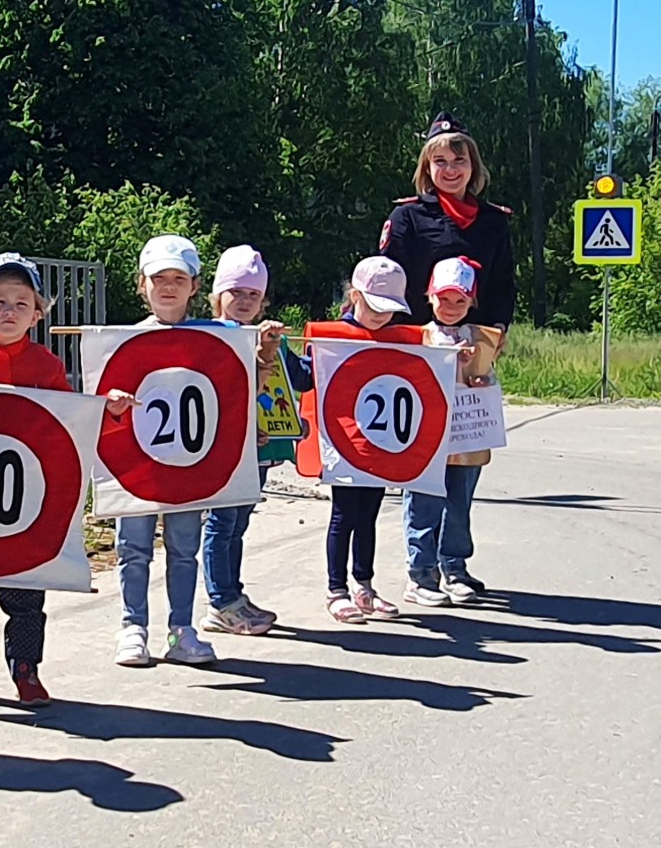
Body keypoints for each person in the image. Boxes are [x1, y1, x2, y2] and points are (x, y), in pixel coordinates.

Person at [0, 253, 129, 707]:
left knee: (26, 590)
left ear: (38, 314)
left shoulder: (46, 366)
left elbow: (65, 427)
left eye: (21, 302)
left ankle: (26, 669)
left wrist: (105, 413)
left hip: (26, 499)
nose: (9, 310)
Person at [113, 235, 226, 668]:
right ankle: (132, 627)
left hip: (189, 464)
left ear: (195, 286)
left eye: (179, 278)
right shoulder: (122, 340)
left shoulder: (217, 340)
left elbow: (233, 394)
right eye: (159, 278)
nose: (168, 287)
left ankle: (182, 628)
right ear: (142, 284)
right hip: (138, 464)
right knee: (133, 546)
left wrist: (264, 354)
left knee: (184, 547)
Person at [303, 257, 426, 624]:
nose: (381, 316)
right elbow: (307, 377)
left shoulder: (399, 339)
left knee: (369, 514)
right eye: (374, 306)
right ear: (355, 295)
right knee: (343, 515)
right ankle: (335, 588)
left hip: (380, 443)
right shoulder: (333, 337)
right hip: (342, 443)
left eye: (389, 310)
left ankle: (364, 584)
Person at [200, 245, 309, 637]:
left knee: (239, 523)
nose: (244, 301)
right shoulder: (208, 336)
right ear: (217, 296)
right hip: (224, 448)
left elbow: (303, 378)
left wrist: (335, 348)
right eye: (236, 292)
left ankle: (233, 592)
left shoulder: (272, 338)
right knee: (221, 522)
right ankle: (220, 601)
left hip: (260, 451)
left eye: (253, 294)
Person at [404, 256, 501, 607]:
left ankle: (455, 568)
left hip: (466, 435)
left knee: (459, 502)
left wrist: (479, 379)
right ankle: (421, 573)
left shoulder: (481, 339)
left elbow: (487, 382)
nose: (450, 307)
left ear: (472, 301)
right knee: (423, 503)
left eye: (459, 300)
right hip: (426, 436)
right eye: (443, 299)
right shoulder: (417, 337)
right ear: (429, 296)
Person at [377, 113, 518, 329]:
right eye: (440, 161)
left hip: (473, 344)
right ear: (427, 167)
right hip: (414, 341)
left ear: (473, 166)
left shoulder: (493, 221)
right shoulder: (407, 217)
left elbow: (502, 285)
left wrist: (498, 329)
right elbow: (387, 282)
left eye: (459, 160)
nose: (450, 170)